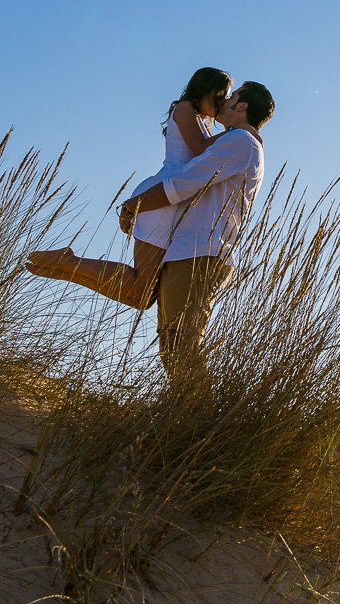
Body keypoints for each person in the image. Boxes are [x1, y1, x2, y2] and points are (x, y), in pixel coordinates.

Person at [26, 67, 233, 309]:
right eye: (221, 95)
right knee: (140, 289)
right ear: (205, 89)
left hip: (171, 201)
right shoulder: (185, 108)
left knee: (142, 298)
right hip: (161, 199)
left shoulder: (201, 121)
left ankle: (66, 268)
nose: (223, 102)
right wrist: (239, 131)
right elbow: (199, 148)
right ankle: (68, 261)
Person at [117, 80, 273, 383]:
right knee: (173, 345)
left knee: (181, 345)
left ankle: (201, 413)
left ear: (242, 106)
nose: (224, 100)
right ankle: (188, 410)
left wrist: (132, 205)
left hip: (200, 252)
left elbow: (183, 183)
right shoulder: (242, 142)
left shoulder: (241, 140)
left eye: (232, 96)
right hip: (192, 251)